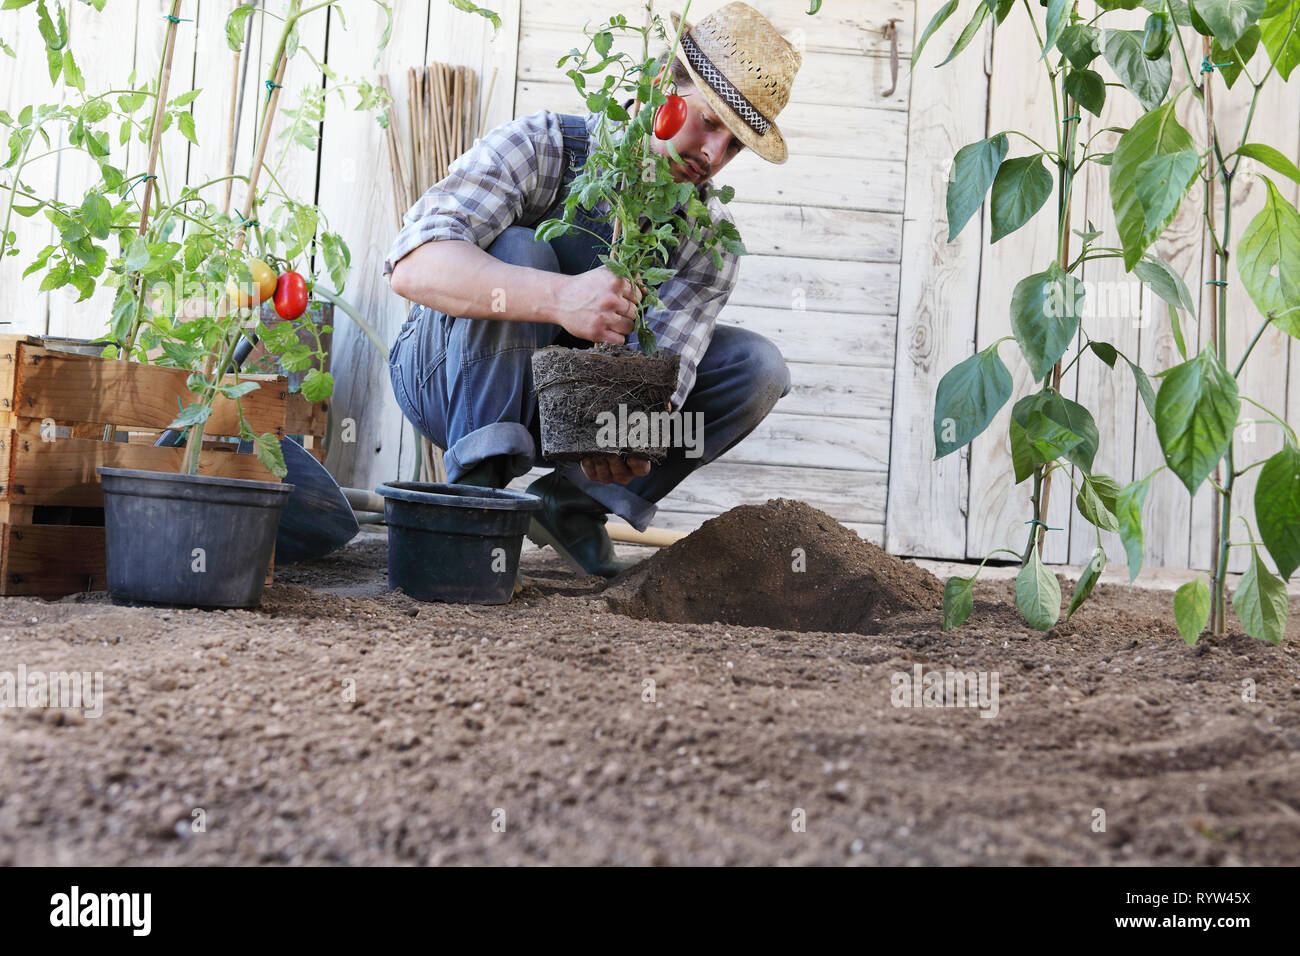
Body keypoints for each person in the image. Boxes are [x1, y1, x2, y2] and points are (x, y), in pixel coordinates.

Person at [384, 2, 801, 577]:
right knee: (520, 248)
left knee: (758, 368)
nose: (711, 155)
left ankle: (571, 505)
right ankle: (478, 497)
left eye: (733, 146)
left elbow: (670, 372)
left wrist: (629, 431)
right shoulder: (542, 146)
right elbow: (412, 267)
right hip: (445, 379)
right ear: (661, 87)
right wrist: (558, 297)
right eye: (708, 122)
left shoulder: (708, 242)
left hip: (570, 419)